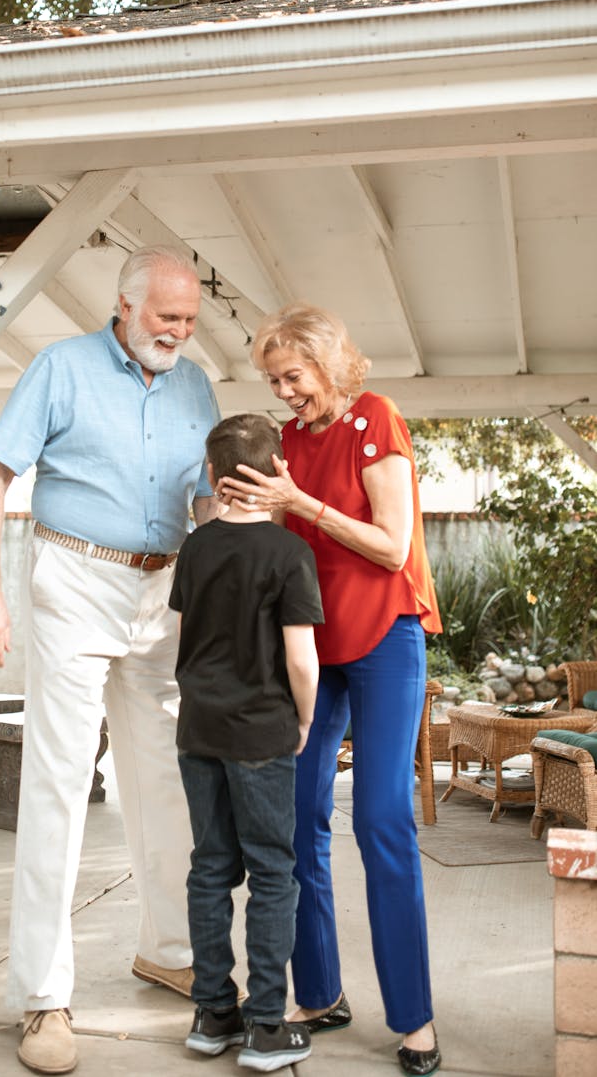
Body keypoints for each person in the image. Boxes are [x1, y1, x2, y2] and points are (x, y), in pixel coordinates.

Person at [0, 245, 222, 1076]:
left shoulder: (194, 382)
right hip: (72, 576)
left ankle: (169, 948)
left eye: (188, 320)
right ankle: (43, 995)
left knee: (167, 777)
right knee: (59, 779)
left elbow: (205, 497)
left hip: (164, 591)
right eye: (166, 319)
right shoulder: (62, 367)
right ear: (125, 305)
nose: (179, 333)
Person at [217, 304, 444, 1077]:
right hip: (312, 644)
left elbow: (392, 544)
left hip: (384, 635)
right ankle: (319, 993)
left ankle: (414, 1018)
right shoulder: (286, 445)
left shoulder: (374, 418)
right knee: (294, 813)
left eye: (295, 376)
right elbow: (279, 541)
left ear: (329, 364)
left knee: (381, 816)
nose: (285, 392)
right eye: (274, 380)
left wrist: (302, 505)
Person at [169, 413, 324, 1073]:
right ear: (275, 475)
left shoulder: (195, 548)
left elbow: (187, 637)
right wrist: (307, 719)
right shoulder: (289, 554)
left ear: (212, 475)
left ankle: (212, 1013)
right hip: (262, 730)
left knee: (209, 865)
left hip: (199, 727)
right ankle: (265, 1023)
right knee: (271, 870)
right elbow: (301, 658)